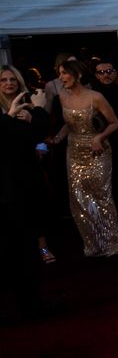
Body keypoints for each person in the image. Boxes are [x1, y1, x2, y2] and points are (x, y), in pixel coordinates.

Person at [53, 59, 118, 257]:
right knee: (79, 200)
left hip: (97, 152)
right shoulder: (61, 97)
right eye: (60, 73)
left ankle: (111, 243)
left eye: (64, 73)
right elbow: (69, 124)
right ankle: (93, 244)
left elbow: (114, 123)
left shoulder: (96, 97)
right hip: (73, 152)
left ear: (78, 75)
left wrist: (100, 137)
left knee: (102, 197)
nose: (61, 77)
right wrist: (57, 138)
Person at [1, 86, 51, 317]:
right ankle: (30, 305)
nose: (8, 84)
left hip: (19, 188)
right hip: (11, 193)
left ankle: (27, 302)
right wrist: (40, 109)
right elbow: (29, 135)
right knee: (20, 249)